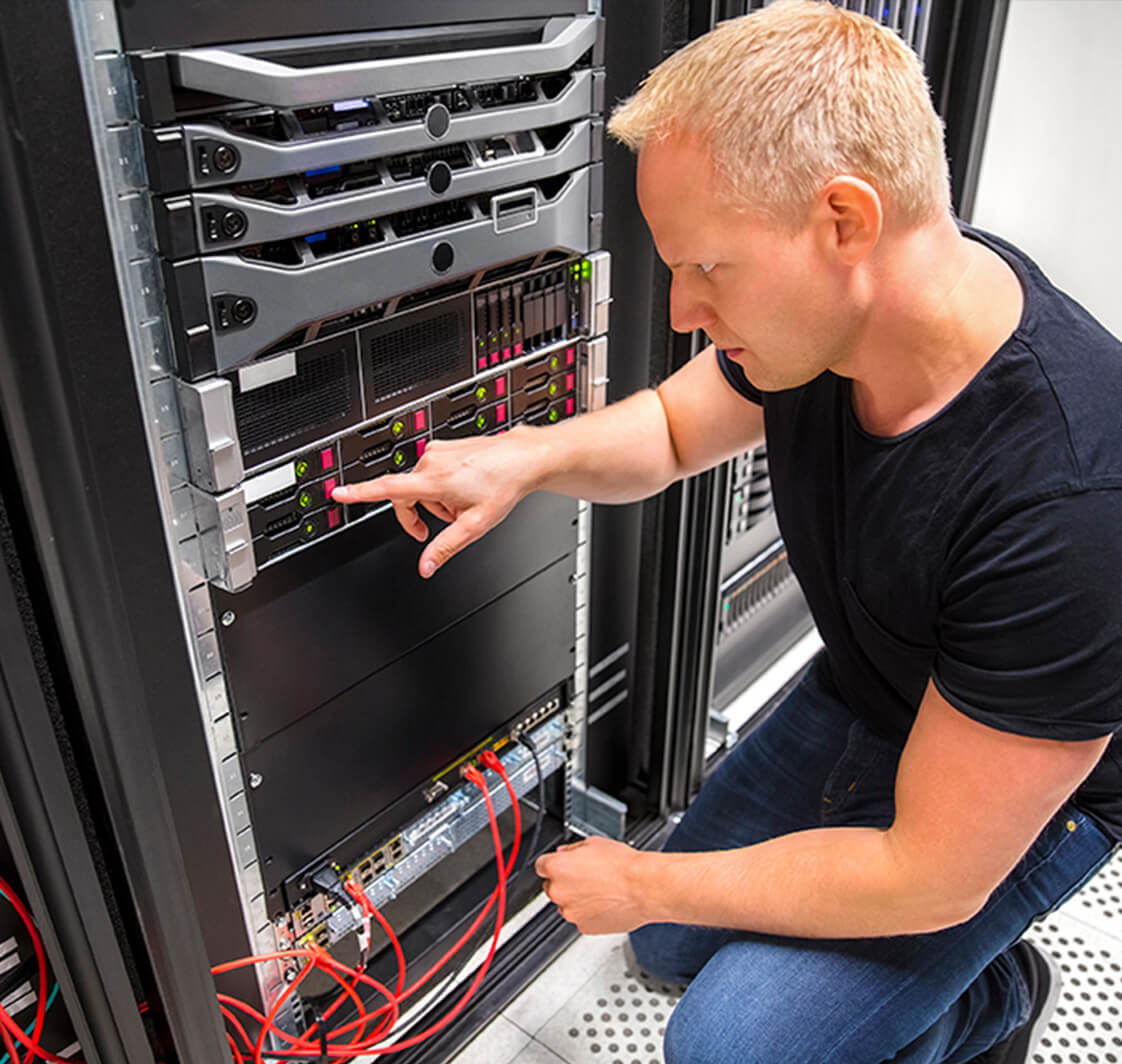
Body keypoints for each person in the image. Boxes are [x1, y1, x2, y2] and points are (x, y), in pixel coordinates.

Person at [332, 2, 1122, 1060]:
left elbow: (931, 870)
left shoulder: (1072, 508)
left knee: (728, 1043)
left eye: (707, 267)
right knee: (665, 943)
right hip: (873, 690)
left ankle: (988, 998)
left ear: (845, 222)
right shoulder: (858, 308)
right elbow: (666, 429)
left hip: (1008, 809)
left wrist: (642, 874)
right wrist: (521, 456)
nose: (681, 311)